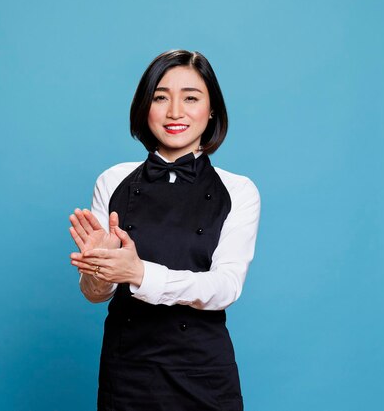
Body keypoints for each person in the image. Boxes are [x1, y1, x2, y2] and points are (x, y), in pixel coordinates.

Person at [68, 50, 261, 411]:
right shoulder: (112, 181)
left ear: (212, 109)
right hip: (127, 371)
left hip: (203, 372)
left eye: (190, 97)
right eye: (161, 97)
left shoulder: (239, 190)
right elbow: (96, 295)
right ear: (145, 108)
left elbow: (225, 288)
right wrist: (97, 270)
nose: (175, 112)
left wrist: (140, 273)